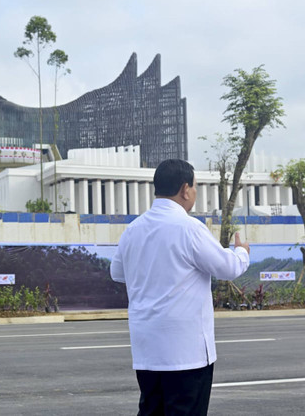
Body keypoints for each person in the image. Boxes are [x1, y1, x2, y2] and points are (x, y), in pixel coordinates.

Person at [110, 159, 250, 416]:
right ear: (185, 189)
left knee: (151, 410)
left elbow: (117, 273)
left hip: (147, 350)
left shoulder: (133, 230)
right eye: (195, 187)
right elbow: (227, 267)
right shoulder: (189, 228)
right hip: (185, 352)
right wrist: (241, 252)